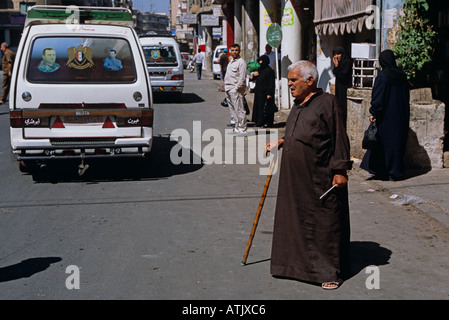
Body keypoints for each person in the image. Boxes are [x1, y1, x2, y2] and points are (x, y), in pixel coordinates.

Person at [266, 60, 353, 290]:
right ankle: (291, 266)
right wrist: (282, 141)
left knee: (322, 221)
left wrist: (340, 170)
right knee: (292, 218)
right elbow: (302, 133)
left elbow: (339, 138)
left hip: (318, 175)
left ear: (310, 80)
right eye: (289, 79)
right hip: (294, 178)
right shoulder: (298, 104)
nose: (289, 84)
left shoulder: (327, 103)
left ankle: (327, 271)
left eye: (293, 79)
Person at [360, 49, 410, 181]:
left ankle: (384, 171)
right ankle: (396, 171)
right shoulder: (402, 75)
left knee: (384, 144)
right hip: (401, 114)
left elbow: (378, 98)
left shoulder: (383, 76)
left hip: (387, 116)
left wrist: (374, 112)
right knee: (397, 143)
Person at [224, 43, 247, 134]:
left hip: (235, 90)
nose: (234, 52)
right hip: (228, 88)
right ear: (230, 51)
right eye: (233, 50)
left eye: (236, 50)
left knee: (239, 109)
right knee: (233, 110)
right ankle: (237, 127)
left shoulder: (241, 62)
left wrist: (236, 88)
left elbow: (242, 78)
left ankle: (242, 128)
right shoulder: (231, 61)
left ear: (239, 51)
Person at [249, 55, 276, 127]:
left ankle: (267, 123)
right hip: (259, 92)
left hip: (266, 93)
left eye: (262, 61)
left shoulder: (269, 71)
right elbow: (252, 79)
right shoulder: (259, 69)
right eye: (259, 61)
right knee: (259, 107)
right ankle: (259, 121)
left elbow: (271, 83)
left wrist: (269, 93)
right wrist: (253, 76)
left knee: (266, 108)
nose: (260, 62)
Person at [332, 47, 352, 123]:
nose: (336, 56)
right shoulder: (339, 64)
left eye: (338, 54)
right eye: (335, 54)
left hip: (345, 87)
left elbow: (343, 76)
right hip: (339, 89)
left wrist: (337, 67)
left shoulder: (347, 63)